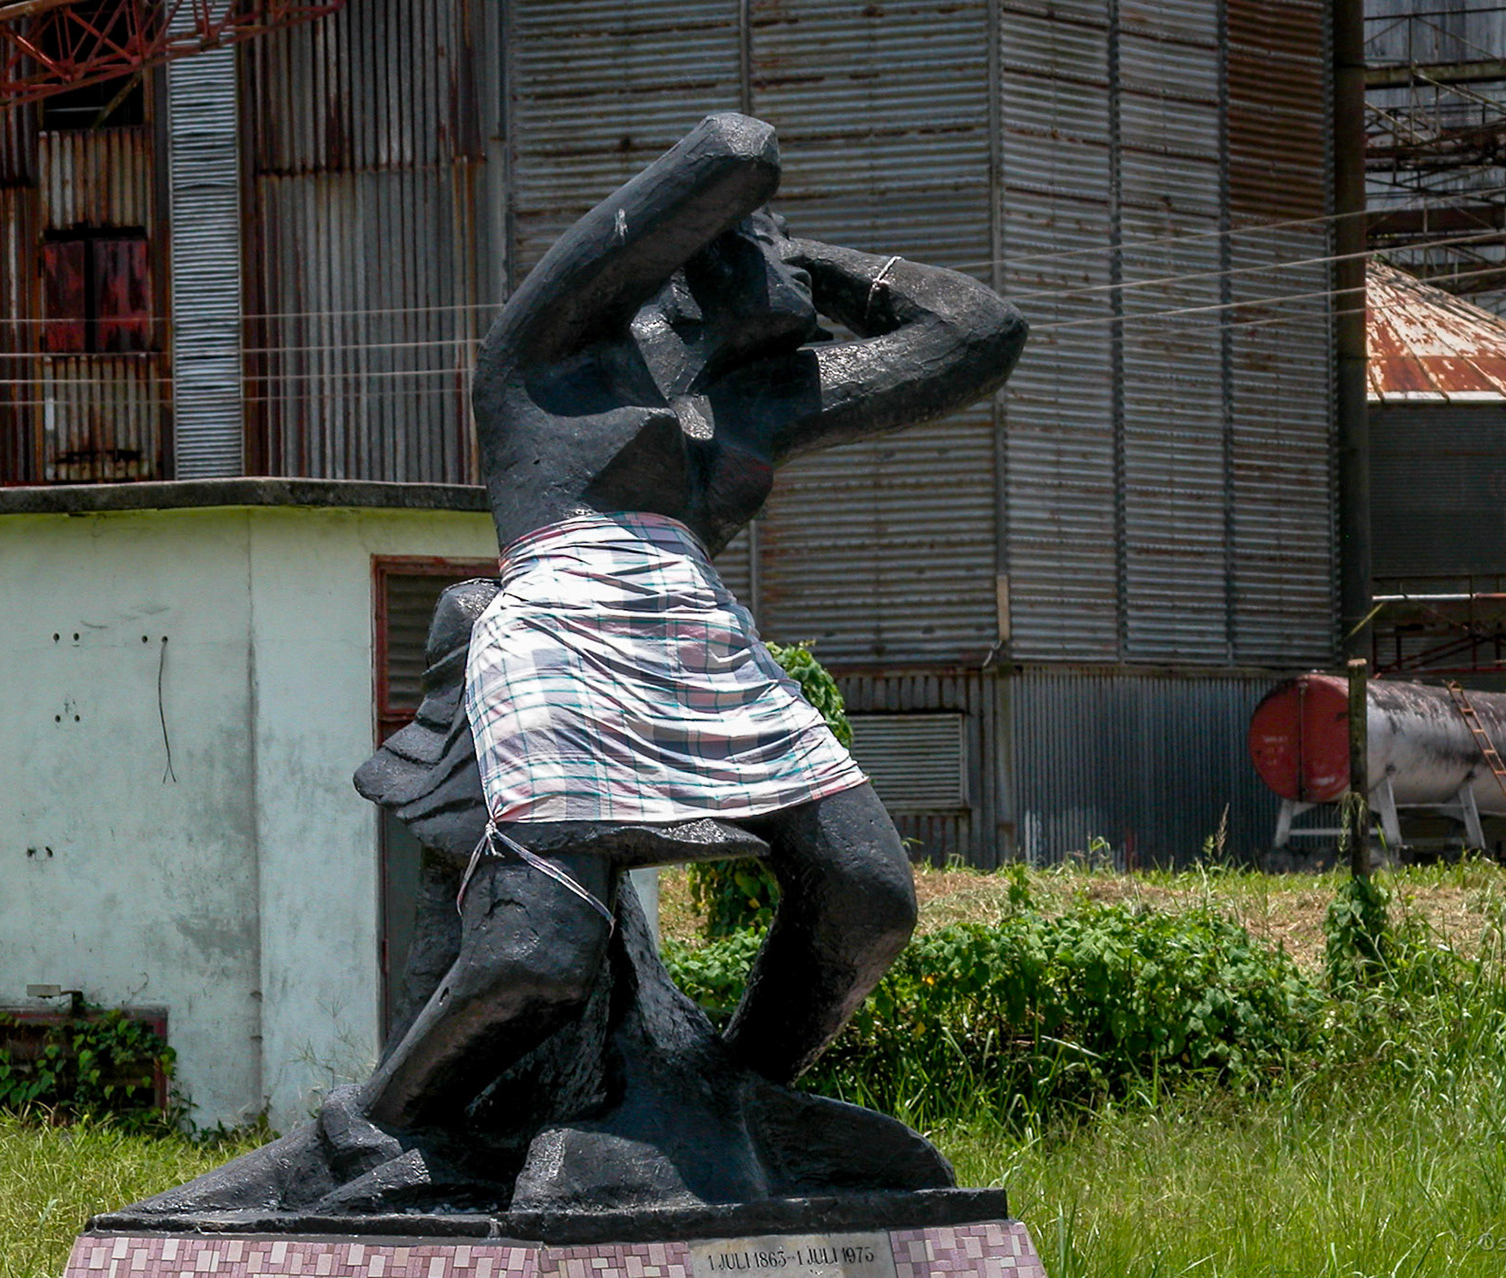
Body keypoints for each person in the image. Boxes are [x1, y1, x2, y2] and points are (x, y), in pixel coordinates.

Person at [355, 111, 1027, 1133]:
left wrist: (810, 265)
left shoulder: (759, 403)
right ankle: (378, 1125)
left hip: (699, 632)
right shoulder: (549, 355)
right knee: (535, 953)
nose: (783, 252)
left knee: (865, 898)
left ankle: (736, 1095)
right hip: (561, 630)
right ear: (686, 252)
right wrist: (740, 224)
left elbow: (979, 334)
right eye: (763, 233)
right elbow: (735, 148)